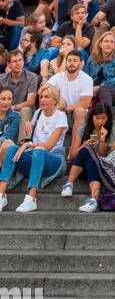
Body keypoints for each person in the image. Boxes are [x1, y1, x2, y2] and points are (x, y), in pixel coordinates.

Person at [0, 82, 67, 213]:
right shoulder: (38, 113)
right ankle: (1, 195)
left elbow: (49, 145)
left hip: (53, 159)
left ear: (55, 99)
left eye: (47, 97)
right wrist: (27, 124)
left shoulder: (61, 116)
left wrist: (27, 144)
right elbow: (30, 128)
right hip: (34, 157)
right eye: (41, 97)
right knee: (12, 149)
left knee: (39, 150)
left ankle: (31, 198)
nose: (42, 100)